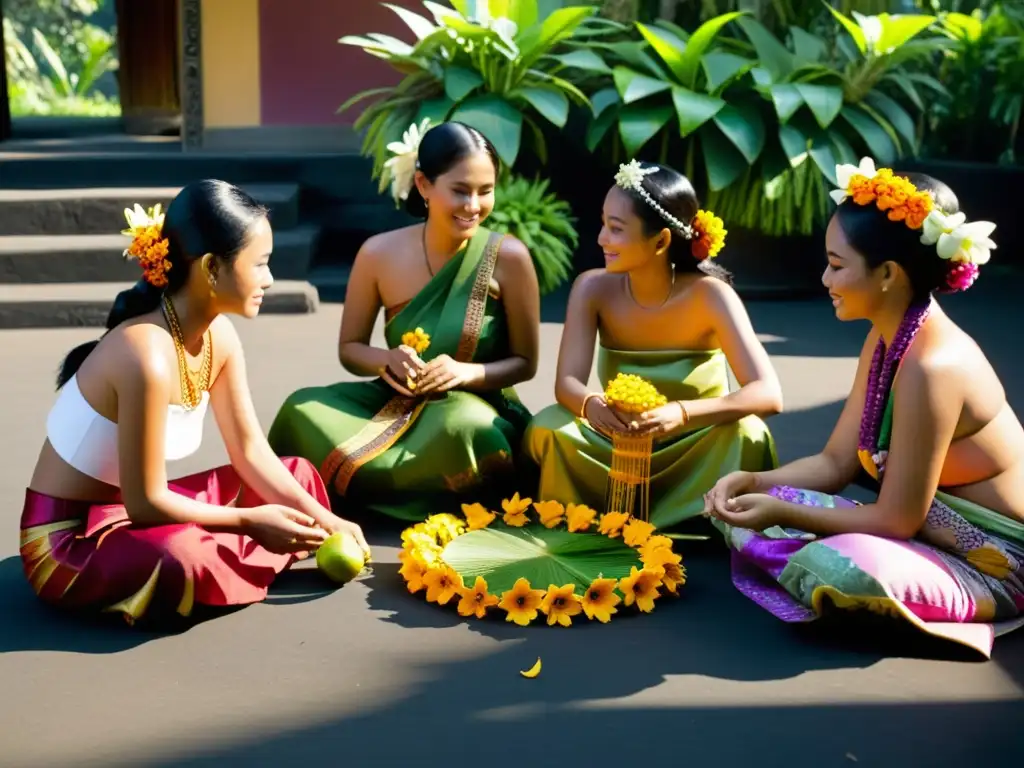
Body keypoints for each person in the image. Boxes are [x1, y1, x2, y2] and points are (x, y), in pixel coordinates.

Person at [705, 158, 1024, 657]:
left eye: (836, 264)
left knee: (836, 568)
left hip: (996, 559)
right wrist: (755, 483)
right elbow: (834, 463)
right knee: (739, 512)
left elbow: (896, 519)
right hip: (920, 527)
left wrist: (783, 508)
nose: (824, 277)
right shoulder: (888, 339)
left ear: (888, 274)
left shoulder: (934, 366)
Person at [21, 180, 369, 627]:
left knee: (297, 474)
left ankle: (238, 548)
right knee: (180, 555)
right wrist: (247, 521)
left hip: (133, 513)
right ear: (210, 268)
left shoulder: (219, 336)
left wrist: (328, 519)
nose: (269, 279)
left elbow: (250, 452)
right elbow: (147, 503)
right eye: (260, 264)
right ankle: (226, 554)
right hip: (72, 541)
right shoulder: (145, 355)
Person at [267, 121, 540, 521]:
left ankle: (377, 497)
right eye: (460, 190)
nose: (474, 205)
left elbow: (525, 363)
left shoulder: (510, 258)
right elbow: (350, 350)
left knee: (467, 429)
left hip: (475, 404)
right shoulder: (377, 253)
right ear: (424, 185)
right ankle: (376, 493)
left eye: (486, 191)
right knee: (300, 408)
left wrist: (465, 372)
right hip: (389, 398)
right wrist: (386, 360)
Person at [524, 159, 781, 529]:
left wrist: (683, 413)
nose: (601, 239)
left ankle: (700, 513)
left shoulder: (711, 296)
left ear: (660, 240)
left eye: (615, 229)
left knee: (749, 433)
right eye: (603, 223)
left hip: (693, 445)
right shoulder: (591, 288)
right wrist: (590, 404)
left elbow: (768, 393)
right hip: (616, 440)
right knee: (548, 428)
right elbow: (566, 382)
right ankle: (587, 517)